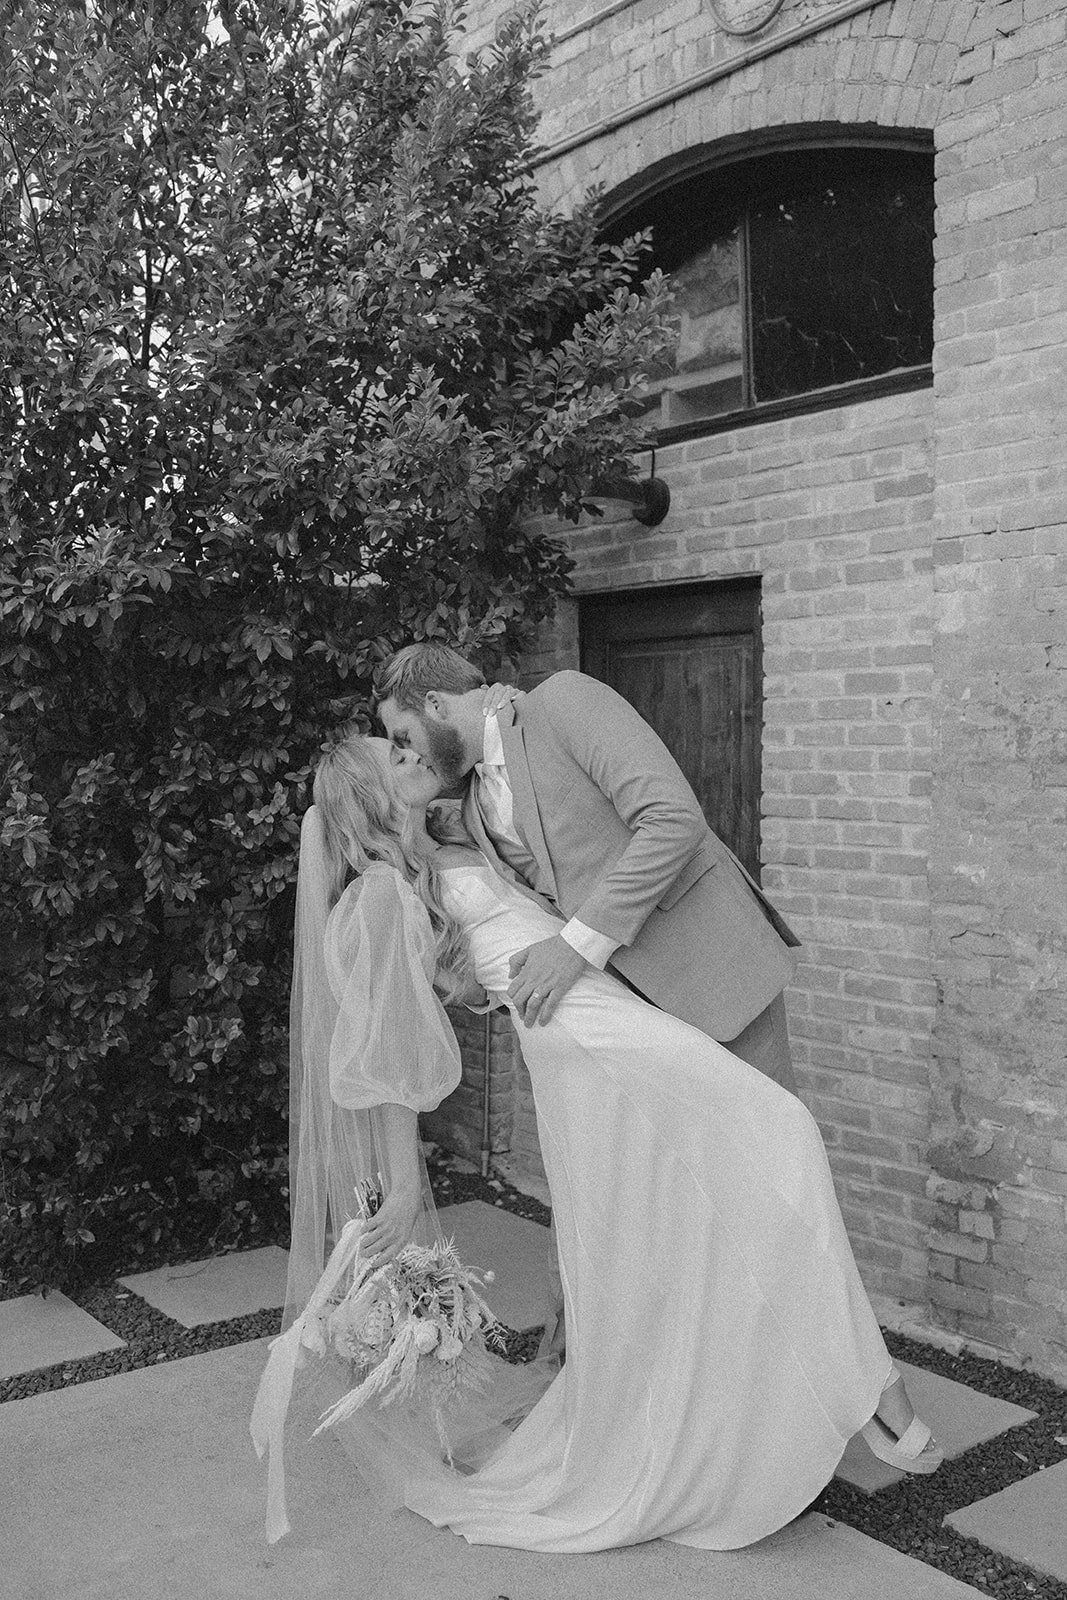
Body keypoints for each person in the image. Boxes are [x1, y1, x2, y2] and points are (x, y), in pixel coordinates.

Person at [252, 732, 942, 1555]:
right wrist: (403, 1185)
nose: (411, 757)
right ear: (371, 797)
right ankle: (871, 1392)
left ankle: (787, 1399)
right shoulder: (380, 894)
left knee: (692, 1210)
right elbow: (390, 1062)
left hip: (599, 1029)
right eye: (392, 757)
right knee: (780, 1133)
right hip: (588, 1042)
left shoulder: (440, 851)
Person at [374, 644, 800, 1094]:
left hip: (711, 965)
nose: (409, 753)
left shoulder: (563, 702)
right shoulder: (472, 806)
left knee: (770, 1129)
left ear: (435, 704)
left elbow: (672, 820)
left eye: (404, 736)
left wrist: (572, 948)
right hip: (629, 1017)